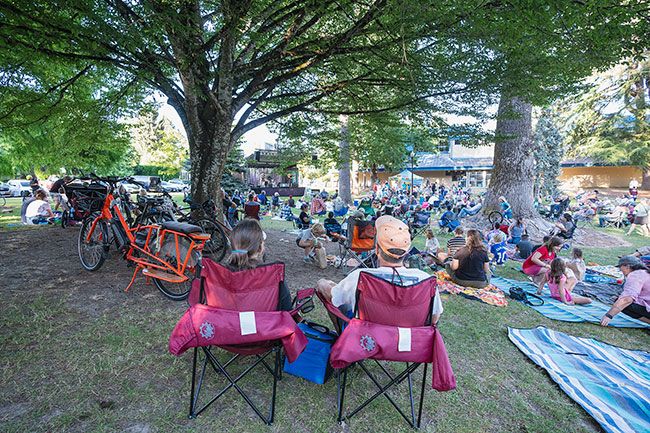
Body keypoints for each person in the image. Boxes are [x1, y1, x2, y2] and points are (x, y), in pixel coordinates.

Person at [316, 215, 443, 331]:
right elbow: (434, 318)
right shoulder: (425, 280)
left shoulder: (360, 277)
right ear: (407, 251)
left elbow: (334, 298)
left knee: (327, 289)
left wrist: (322, 283)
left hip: (367, 337)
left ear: (377, 249)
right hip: (408, 340)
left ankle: (342, 337)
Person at [227, 219, 292, 311]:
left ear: (233, 245)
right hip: (265, 324)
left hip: (227, 324)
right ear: (261, 247)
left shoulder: (218, 275)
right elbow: (287, 311)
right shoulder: (273, 277)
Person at [601, 256, 650, 325]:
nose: (621, 271)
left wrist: (609, 315)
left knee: (623, 303)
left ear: (627, 266)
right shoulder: (644, 272)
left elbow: (627, 299)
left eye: (621, 267)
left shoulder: (635, 275)